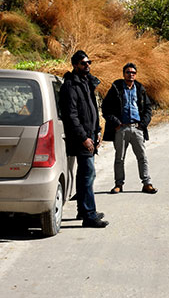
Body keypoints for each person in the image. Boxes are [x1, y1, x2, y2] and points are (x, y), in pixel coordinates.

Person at [59, 50, 108, 228]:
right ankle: (89, 215)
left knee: (85, 174)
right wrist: (84, 138)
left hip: (90, 136)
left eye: (89, 62)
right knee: (88, 174)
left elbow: (92, 111)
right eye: (83, 63)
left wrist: (98, 132)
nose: (87, 65)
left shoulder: (86, 83)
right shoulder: (70, 86)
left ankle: (83, 209)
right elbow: (71, 116)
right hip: (80, 139)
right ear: (74, 65)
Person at [101, 62, 157, 195]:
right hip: (121, 129)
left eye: (133, 73)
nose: (131, 75)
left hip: (137, 128)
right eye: (128, 72)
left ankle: (146, 183)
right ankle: (118, 184)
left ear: (135, 74)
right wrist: (116, 123)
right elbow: (106, 108)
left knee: (142, 157)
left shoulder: (140, 89)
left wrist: (142, 125)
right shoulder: (116, 88)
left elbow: (148, 109)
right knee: (119, 158)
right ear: (123, 74)